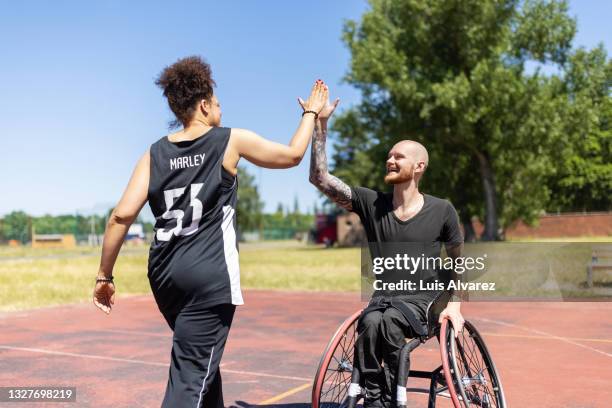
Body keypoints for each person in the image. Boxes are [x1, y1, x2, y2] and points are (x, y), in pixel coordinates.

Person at [92, 55, 329, 407]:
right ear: (203, 105)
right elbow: (292, 155)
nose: (220, 109)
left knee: (200, 360)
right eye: (217, 103)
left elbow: (120, 217)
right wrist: (311, 113)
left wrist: (104, 275)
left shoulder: (153, 154)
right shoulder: (228, 140)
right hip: (208, 276)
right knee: (191, 376)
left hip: (164, 275)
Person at [307, 97, 465, 407]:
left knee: (389, 320)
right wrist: (320, 125)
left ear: (418, 166)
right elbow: (320, 178)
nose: (390, 160)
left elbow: (460, 260)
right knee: (369, 323)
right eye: (389, 156)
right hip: (384, 298)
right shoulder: (371, 203)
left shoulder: (442, 210)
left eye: (399, 156)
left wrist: (456, 305)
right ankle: (376, 397)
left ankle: (395, 396)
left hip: (425, 300)